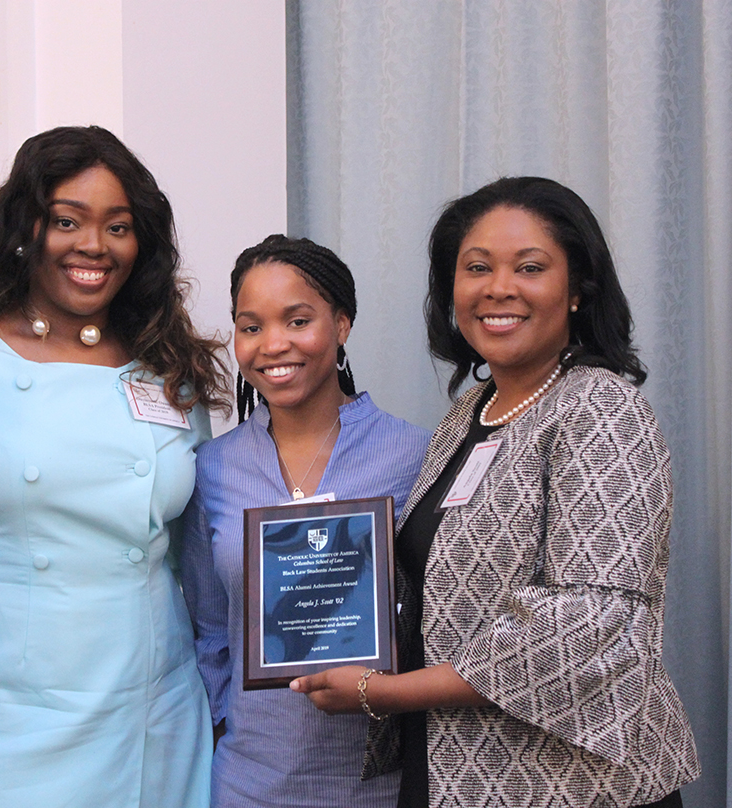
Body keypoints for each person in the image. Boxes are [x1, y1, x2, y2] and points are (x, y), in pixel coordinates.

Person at [291, 177, 700, 807]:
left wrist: (385, 692)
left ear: (577, 288)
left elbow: (586, 626)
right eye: (476, 268)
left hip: (573, 787)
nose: (498, 288)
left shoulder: (601, 409)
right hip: (451, 768)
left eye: (530, 267)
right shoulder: (468, 412)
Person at [0, 125, 230, 808]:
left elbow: (196, 554)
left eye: (118, 226)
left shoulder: (165, 366)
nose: (94, 245)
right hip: (4, 703)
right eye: (67, 220)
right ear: (23, 229)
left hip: (152, 702)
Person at [181, 235, 430, 807]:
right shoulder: (213, 469)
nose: (274, 345)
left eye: (297, 320)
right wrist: (227, 720)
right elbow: (210, 629)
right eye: (251, 327)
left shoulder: (416, 454)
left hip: (381, 785)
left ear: (342, 325)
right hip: (249, 782)